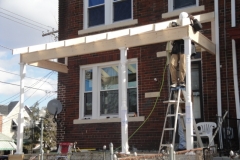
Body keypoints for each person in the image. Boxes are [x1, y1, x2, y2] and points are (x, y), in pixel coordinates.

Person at [169, 14, 202, 88]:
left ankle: (181, 81)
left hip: (185, 47)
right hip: (176, 47)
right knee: (172, 64)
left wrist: (193, 19)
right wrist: (173, 26)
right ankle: (174, 82)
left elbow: (199, 27)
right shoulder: (177, 26)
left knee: (183, 64)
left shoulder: (191, 26)